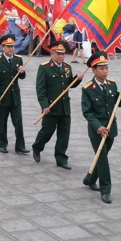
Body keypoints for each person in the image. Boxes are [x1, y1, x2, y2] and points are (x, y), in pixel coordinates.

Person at [81, 51, 121, 204]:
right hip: (98, 131)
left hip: (111, 129)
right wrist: (98, 127)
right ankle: (106, 189)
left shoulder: (112, 84)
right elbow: (87, 112)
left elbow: (117, 104)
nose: (104, 71)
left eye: (106, 68)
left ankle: (89, 178)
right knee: (102, 160)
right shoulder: (88, 88)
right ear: (93, 70)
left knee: (102, 157)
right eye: (101, 68)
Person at [32, 39, 86, 169]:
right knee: (47, 132)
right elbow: (41, 89)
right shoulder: (44, 67)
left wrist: (77, 80)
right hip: (50, 107)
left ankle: (61, 158)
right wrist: (44, 105)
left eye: (63, 53)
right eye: (58, 53)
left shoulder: (67, 67)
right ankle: (37, 147)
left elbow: (69, 85)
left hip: (64, 107)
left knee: (64, 134)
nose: (61, 56)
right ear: (52, 53)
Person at [0, 34, 29, 154]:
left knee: (18, 122)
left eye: (12, 46)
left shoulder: (18, 59)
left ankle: (20, 146)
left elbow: (21, 77)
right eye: (8, 46)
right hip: (3, 97)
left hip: (15, 97)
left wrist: (22, 72)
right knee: (2, 122)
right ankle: (2, 144)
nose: (11, 49)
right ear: (3, 47)